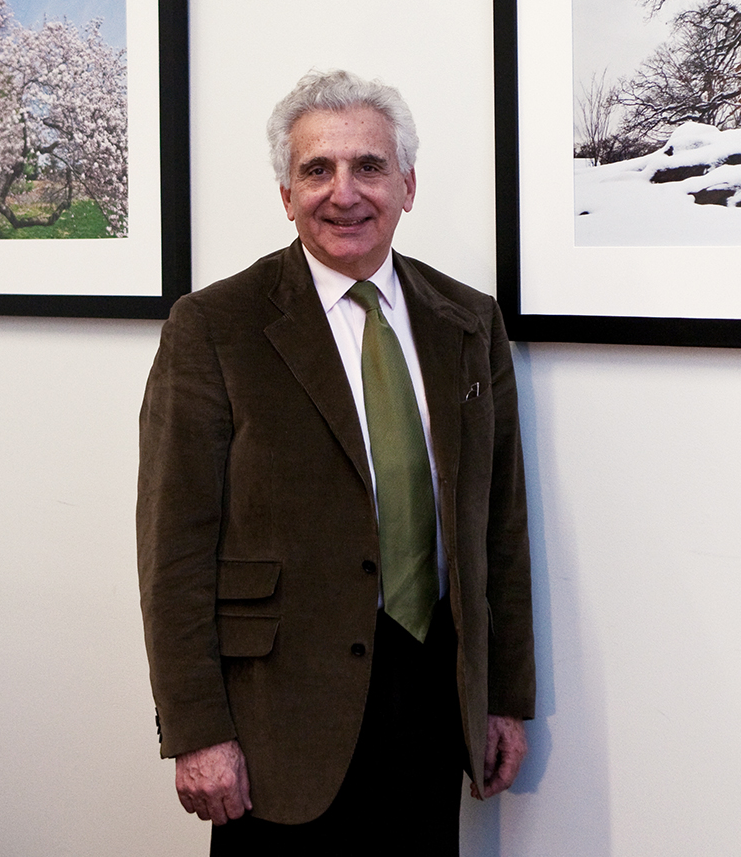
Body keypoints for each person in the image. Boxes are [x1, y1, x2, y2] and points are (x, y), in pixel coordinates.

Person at [137, 69, 535, 854]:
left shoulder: (469, 322)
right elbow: (173, 550)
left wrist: (504, 697)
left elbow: (501, 529)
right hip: (276, 723)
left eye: (369, 167)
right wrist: (197, 730)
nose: (343, 192)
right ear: (286, 194)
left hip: (431, 697)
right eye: (317, 169)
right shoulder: (214, 327)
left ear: (408, 186)